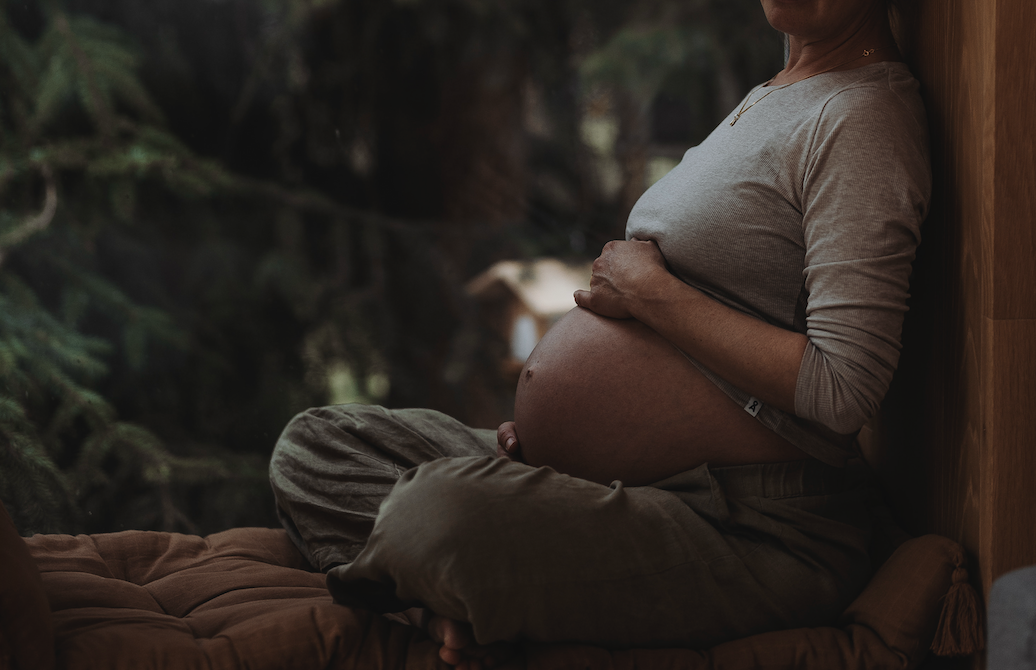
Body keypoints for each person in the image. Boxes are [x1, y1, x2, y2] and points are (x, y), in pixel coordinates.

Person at [269, 0, 931, 667]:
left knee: (435, 516)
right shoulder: (781, 91)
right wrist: (569, 453)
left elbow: (843, 387)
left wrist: (655, 297)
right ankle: (457, 598)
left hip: (750, 527)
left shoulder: (863, 117)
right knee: (316, 448)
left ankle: (458, 588)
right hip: (616, 488)